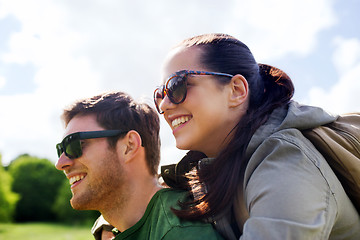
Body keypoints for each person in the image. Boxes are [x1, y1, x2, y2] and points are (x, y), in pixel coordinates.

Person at [154, 33, 360, 239]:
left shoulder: (287, 161)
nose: (164, 105)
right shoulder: (214, 172)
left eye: (176, 85)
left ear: (236, 90)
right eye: (160, 94)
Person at [55, 91, 224, 240]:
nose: (60, 163)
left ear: (129, 146)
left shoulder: (179, 232)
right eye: (60, 150)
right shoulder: (123, 226)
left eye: (75, 145)